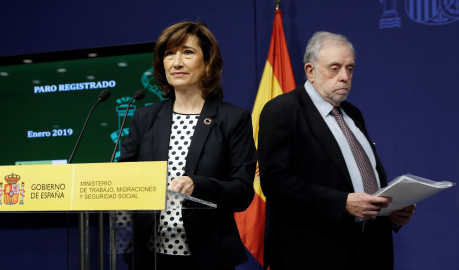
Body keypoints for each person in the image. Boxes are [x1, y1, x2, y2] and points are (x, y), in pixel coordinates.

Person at [258, 31, 416, 270]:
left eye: (350, 69)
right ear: (310, 71)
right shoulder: (282, 111)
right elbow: (275, 183)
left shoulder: (353, 113)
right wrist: (341, 203)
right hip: (315, 254)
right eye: (335, 68)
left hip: (371, 251)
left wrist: (390, 211)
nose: (344, 77)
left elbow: (362, 176)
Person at [118, 21, 257, 270]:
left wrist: (198, 184)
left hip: (208, 256)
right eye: (169, 53)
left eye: (187, 52)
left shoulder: (232, 119)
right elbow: (123, 177)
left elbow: (242, 192)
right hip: (149, 255)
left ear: (208, 63)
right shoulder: (145, 117)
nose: (176, 62)